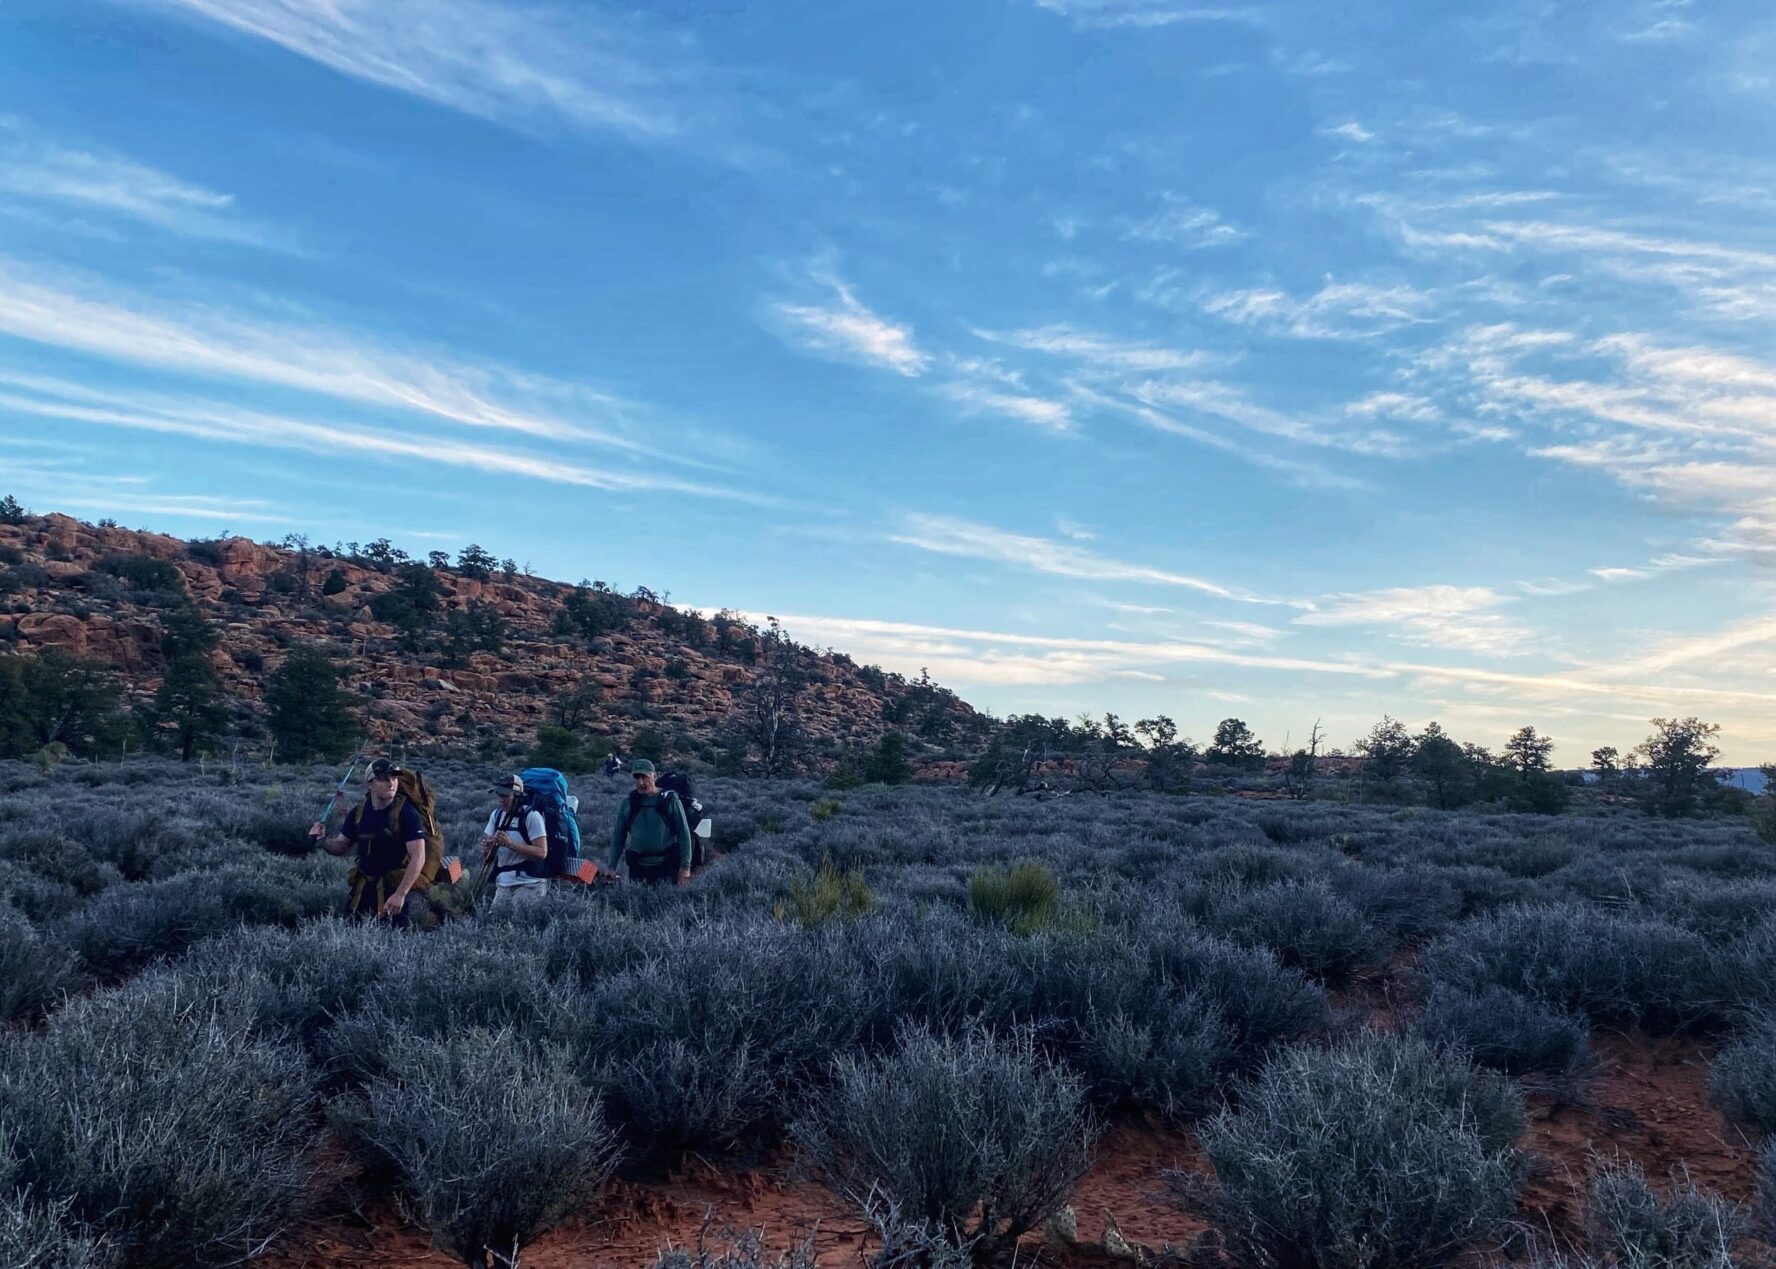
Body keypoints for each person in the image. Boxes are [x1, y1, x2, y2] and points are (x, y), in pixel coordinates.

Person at [310, 757, 429, 924]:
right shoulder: (358, 813)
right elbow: (341, 845)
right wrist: (322, 841)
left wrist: (400, 894)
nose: (391, 783)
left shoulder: (407, 813)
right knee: (352, 934)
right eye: (383, 778)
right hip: (362, 889)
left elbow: (419, 856)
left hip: (394, 890)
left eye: (394, 778)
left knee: (394, 941)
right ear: (370, 783)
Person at [608, 759, 691, 884]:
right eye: (637, 778)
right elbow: (618, 836)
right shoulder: (628, 803)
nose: (641, 783)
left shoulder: (670, 800)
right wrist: (611, 867)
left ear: (654, 776)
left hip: (666, 866)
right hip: (638, 868)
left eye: (645, 777)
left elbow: (683, 833)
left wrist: (685, 867)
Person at [480, 773, 550, 914]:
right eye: (499, 795)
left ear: (518, 796)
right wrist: (488, 848)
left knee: (520, 923)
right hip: (504, 883)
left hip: (530, 883)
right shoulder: (496, 815)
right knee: (494, 923)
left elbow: (541, 853)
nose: (501, 800)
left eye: (506, 796)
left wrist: (510, 844)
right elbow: (488, 857)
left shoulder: (532, 816)